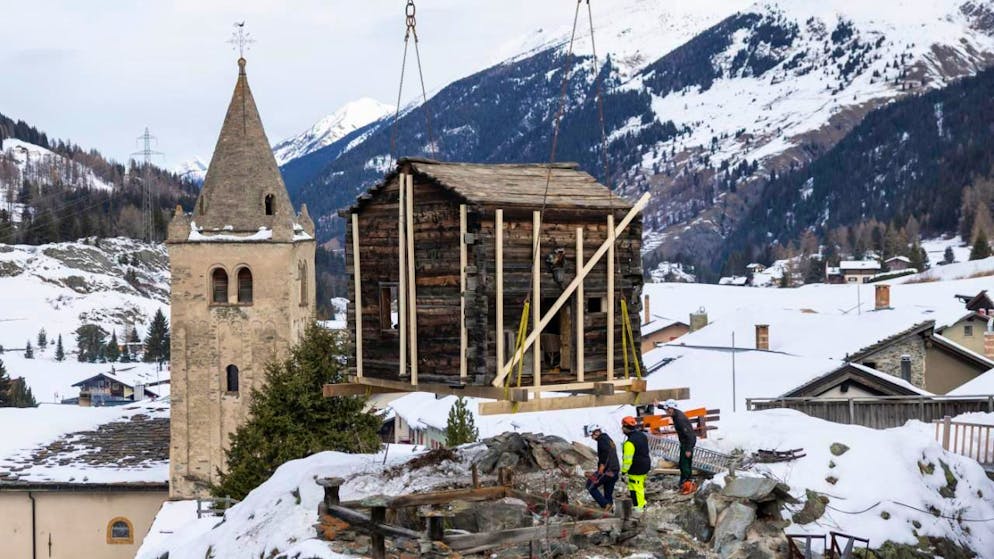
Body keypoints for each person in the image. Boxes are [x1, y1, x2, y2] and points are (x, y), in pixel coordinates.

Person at [657, 398, 698, 494]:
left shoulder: (680, 419)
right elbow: (666, 407)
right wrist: (659, 405)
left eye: (667, 410)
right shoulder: (675, 413)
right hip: (685, 442)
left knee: (685, 464)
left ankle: (687, 483)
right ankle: (685, 482)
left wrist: (688, 449)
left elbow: (689, 435)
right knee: (682, 463)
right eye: (666, 409)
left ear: (672, 409)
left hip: (687, 443)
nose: (666, 412)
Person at [584, 424, 619, 511]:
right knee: (608, 492)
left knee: (590, 485)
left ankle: (605, 505)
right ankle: (610, 512)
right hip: (614, 470)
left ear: (596, 432)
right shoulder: (608, 439)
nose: (592, 438)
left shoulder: (602, 440)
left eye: (592, 435)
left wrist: (601, 468)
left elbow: (605, 455)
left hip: (607, 470)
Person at [620, 416, 651, 512]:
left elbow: (627, 461)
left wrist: (623, 471)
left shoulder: (629, 443)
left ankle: (639, 508)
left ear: (625, 428)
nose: (622, 429)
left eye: (622, 427)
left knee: (636, 488)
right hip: (645, 465)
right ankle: (642, 503)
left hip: (636, 468)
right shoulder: (642, 435)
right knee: (639, 486)